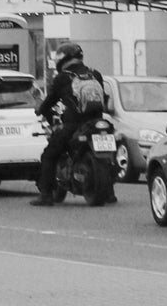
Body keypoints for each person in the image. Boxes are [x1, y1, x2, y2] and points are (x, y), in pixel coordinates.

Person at [31, 41, 114, 205]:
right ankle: (110, 193)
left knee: (49, 155)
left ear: (62, 59)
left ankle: (46, 194)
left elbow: (51, 101)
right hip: (98, 123)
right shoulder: (95, 74)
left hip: (74, 125)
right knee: (106, 156)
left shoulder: (62, 78)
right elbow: (104, 99)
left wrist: (41, 110)